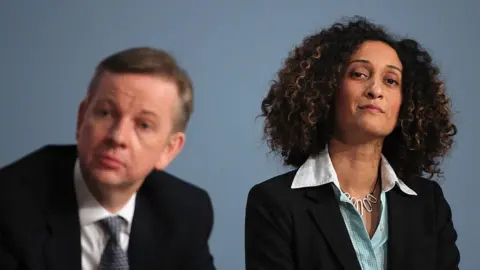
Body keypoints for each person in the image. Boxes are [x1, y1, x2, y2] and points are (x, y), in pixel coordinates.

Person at [245, 16, 460, 270]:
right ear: (326, 88)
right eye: (359, 74)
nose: (375, 90)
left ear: (406, 103)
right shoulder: (274, 203)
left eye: (391, 80)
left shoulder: (429, 202)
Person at [0, 47, 216, 270]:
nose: (117, 137)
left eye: (144, 125)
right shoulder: (9, 206)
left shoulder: (185, 212)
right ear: (81, 118)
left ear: (169, 150)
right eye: (105, 113)